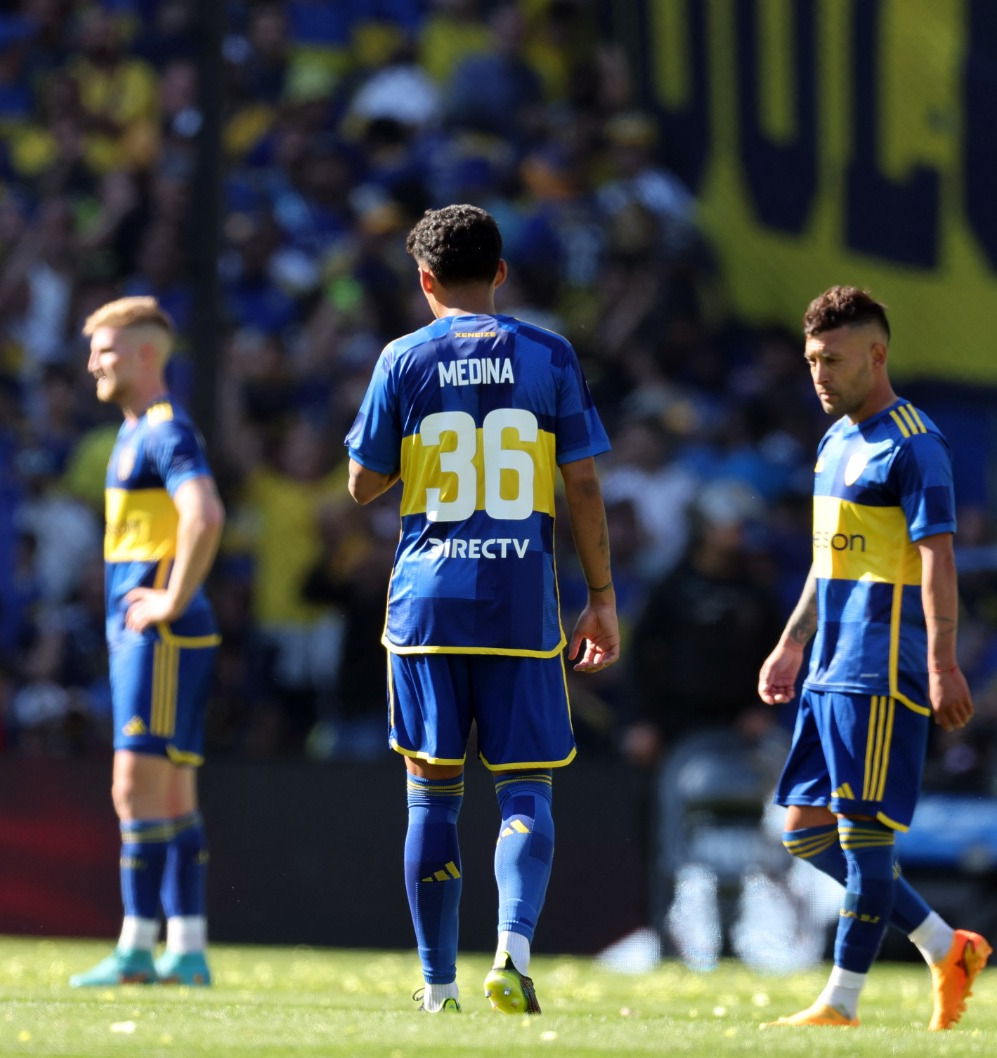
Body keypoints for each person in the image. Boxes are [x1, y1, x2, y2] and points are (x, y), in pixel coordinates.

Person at [344, 204, 619, 1015]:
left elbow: (362, 482)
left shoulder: (402, 358)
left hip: (428, 604)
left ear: (424, 281)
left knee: (431, 792)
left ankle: (438, 990)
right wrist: (601, 599)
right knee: (525, 787)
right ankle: (514, 951)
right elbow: (584, 484)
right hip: (520, 599)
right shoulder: (549, 354)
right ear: (501, 272)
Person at [758, 286, 991, 1030]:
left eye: (832, 360)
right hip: (828, 661)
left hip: (882, 664)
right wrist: (793, 641)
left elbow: (938, 559)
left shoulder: (916, 442)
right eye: (811, 361)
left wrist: (943, 662)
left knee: (863, 835)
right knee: (803, 828)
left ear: (877, 354)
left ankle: (842, 1003)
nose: (818, 374)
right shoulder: (834, 442)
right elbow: (829, 564)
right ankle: (944, 944)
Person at [69, 296, 224, 988]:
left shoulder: (163, 431)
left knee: (133, 786)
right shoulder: (137, 431)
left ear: (146, 354)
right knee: (172, 795)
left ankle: (137, 946)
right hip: (163, 633)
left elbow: (205, 514)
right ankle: (186, 948)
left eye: (106, 350)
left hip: (158, 633)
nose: (94, 363)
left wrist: (171, 597)